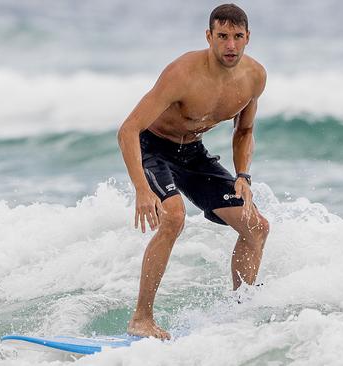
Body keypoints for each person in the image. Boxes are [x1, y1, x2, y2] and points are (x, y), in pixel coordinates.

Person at [117, 3, 269, 340]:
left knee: (256, 227)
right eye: (223, 36)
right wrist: (142, 189)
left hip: (194, 154)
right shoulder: (183, 73)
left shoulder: (254, 77)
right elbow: (127, 130)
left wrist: (243, 176)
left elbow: (244, 131)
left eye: (237, 37)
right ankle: (141, 319)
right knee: (173, 217)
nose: (230, 45)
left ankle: (239, 314)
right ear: (209, 36)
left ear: (248, 38)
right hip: (153, 147)